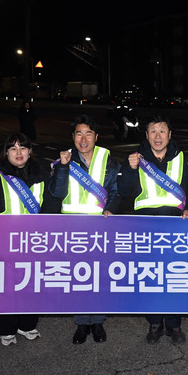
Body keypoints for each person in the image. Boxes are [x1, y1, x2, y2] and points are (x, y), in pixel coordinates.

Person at [118, 116, 188, 345]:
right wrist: (130, 169)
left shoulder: (183, 159)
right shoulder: (136, 159)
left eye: (162, 131)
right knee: (150, 277)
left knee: (175, 276)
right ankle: (155, 323)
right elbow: (123, 191)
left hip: (176, 228)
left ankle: (174, 324)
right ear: (146, 135)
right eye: (153, 131)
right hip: (145, 228)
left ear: (170, 134)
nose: (158, 136)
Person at [0, 132, 58, 346]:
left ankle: (28, 325)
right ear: (6, 152)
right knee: (7, 286)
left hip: (34, 241)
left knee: (31, 284)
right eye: (13, 148)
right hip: (4, 241)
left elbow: (50, 205)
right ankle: (7, 328)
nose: (18, 152)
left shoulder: (42, 174)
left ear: (30, 151)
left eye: (23, 148)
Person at [50, 114, 122, 345]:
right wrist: (63, 167)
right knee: (77, 278)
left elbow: (116, 192)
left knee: (98, 277)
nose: (83, 139)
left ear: (96, 136)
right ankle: (82, 323)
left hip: (100, 227)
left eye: (88, 134)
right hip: (72, 228)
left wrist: (110, 209)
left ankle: (98, 322)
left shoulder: (108, 160)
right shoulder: (65, 159)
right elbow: (57, 193)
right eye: (79, 134)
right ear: (73, 137)